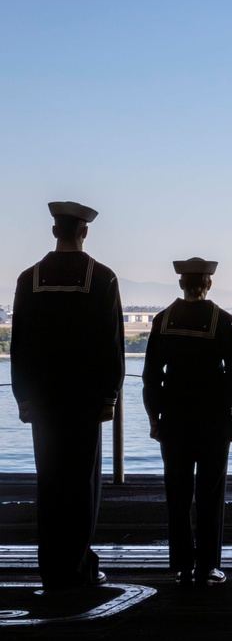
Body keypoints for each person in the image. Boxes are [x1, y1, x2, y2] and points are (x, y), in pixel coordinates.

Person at [10, 201, 125, 589]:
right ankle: (78, 567)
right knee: (82, 484)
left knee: (50, 482)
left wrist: (22, 397)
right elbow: (112, 344)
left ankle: (51, 567)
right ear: (84, 232)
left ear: (54, 231)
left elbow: (19, 344)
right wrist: (109, 396)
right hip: (85, 399)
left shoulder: (29, 278)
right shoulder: (102, 277)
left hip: (43, 399)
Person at [142, 258, 232, 586]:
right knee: (210, 494)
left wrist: (154, 417)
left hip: (174, 419)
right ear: (209, 283)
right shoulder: (225, 321)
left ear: (180, 284)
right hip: (213, 420)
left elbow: (151, 377)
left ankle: (182, 565)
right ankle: (208, 566)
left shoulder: (162, 320)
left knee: (177, 491)